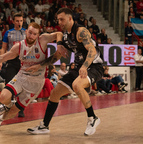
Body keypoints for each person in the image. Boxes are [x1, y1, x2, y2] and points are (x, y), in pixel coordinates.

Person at [27, 8, 104, 136]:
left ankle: (92, 118)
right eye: (58, 20)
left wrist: (84, 66)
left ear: (70, 18)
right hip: (79, 67)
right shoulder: (66, 35)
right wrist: (40, 65)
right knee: (55, 93)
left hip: (93, 66)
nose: (60, 22)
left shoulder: (81, 31)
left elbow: (92, 51)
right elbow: (57, 54)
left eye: (62, 19)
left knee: (77, 85)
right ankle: (44, 126)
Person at [0, 22, 63, 131]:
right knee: (3, 97)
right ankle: (8, 104)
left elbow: (59, 33)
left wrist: (59, 45)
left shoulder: (43, 40)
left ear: (38, 35)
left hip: (36, 82)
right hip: (22, 76)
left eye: (34, 34)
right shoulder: (19, 46)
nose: (31, 36)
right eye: (30, 33)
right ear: (26, 31)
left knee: (13, 113)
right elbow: (2, 58)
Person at [0, 13, 26, 117]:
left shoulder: (26, 32)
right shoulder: (8, 33)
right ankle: (8, 106)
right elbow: (3, 48)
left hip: (23, 62)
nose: (19, 23)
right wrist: (1, 60)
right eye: (17, 21)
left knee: (22, 85)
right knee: (10, 83)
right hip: (11, 61)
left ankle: (20, 108)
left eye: (21, 21)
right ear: (13, 21)